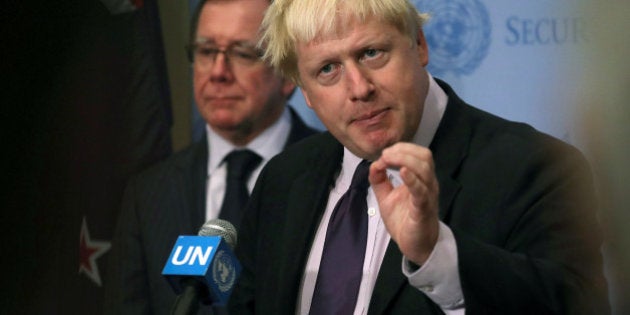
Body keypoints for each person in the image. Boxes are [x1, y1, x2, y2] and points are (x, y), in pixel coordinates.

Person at [227, 0, 610, 314]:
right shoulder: (283, 179)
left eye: (372, 53)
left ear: (420, 46)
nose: (359, 88)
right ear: (305, 92)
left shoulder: (537, 166)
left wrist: (434, 253)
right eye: (327, 69)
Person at [103, 0, 318, 313]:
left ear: (287, 74)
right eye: (206, 51)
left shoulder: (339, 173)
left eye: (242, 53)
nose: (218, 72)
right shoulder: (148, 192)